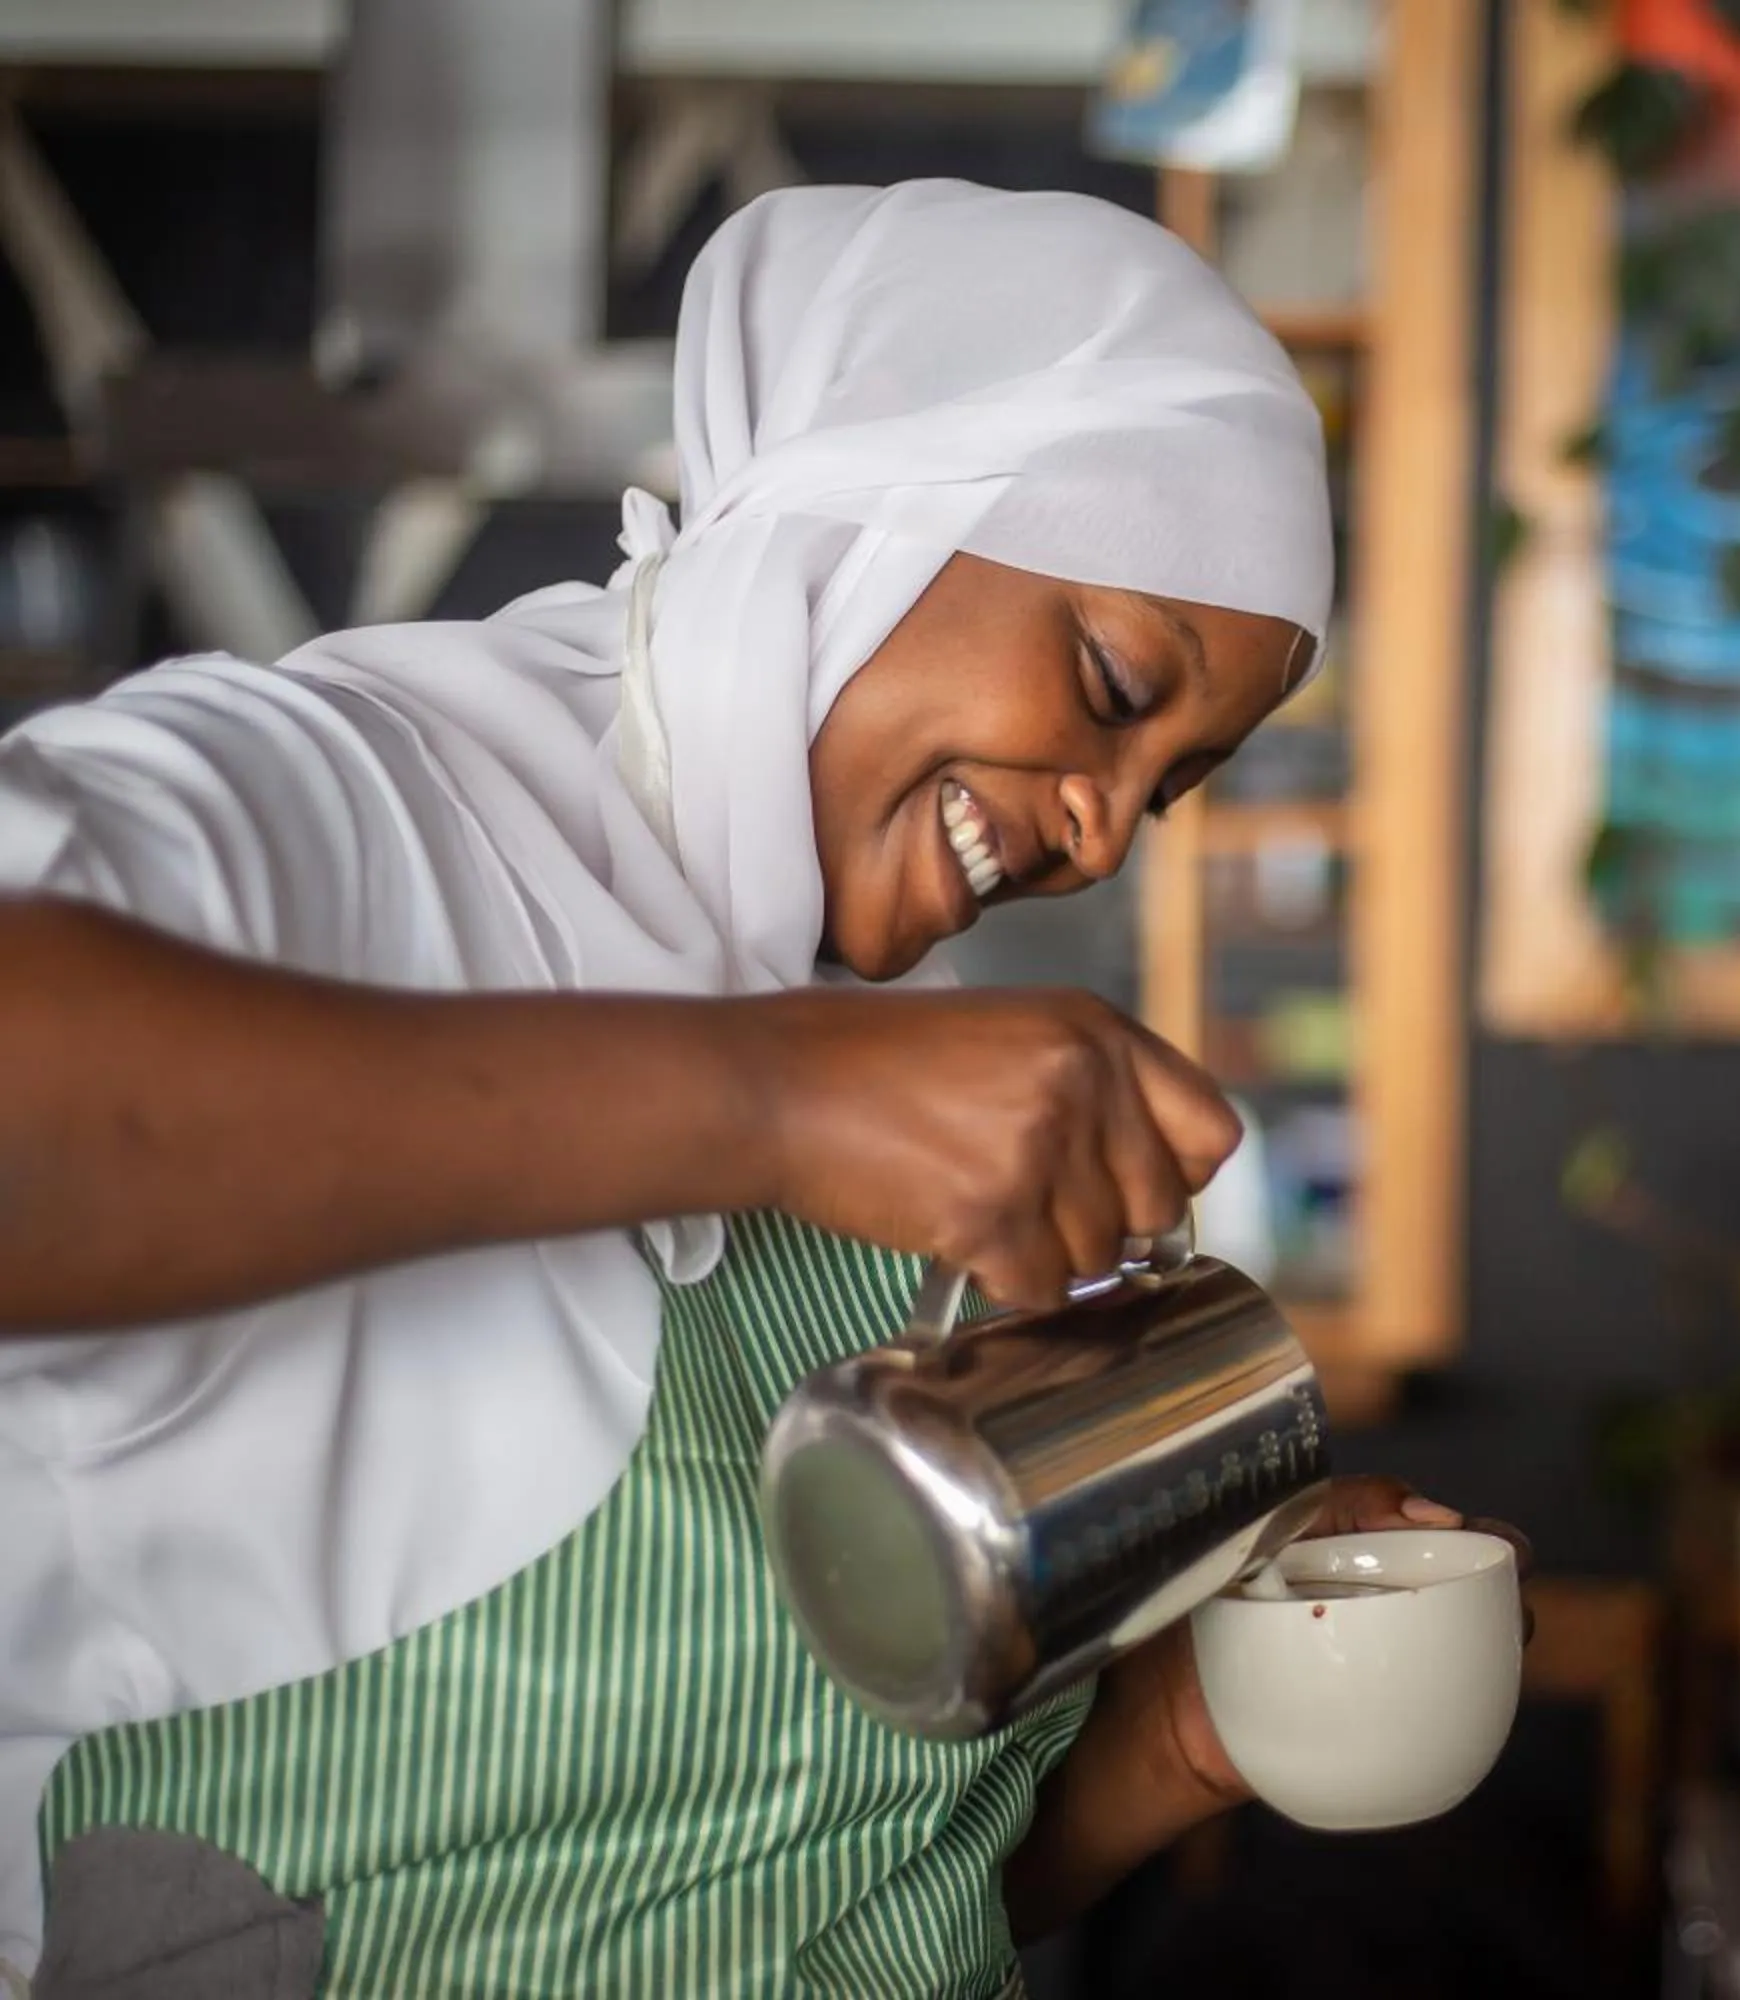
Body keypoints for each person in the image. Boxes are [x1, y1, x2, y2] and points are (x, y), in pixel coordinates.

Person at [0, 181, 1513, 1998]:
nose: (1109, 834)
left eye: (1172, 791)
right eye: (1116, 685)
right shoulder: (349, 813)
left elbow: (844, 1881)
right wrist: (779, 1104)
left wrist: (1184, 1730)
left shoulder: (899, 1078)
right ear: (880, 486)